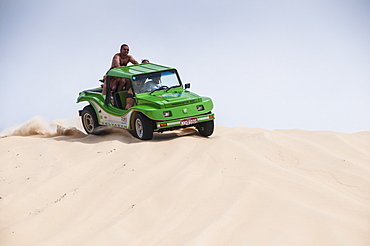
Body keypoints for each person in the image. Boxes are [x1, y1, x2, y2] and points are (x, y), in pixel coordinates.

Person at [103, 44, 139, 109]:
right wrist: (125, 68)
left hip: (122, 75)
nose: (126, 51)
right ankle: (117, 97)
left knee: (129, 81)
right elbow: (117, 66)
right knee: (122, 81)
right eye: (124, 49)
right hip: (113, 75)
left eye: (127, 50)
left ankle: (124, 96)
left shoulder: (129, 57)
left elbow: (135, 62)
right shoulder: (117, 56)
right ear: (120, 50)